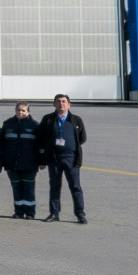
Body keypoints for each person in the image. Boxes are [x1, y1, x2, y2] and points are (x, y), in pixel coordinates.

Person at [41, 94, 89, 224]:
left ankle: (80, 214)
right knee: (55, 186)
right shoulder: (48, 119)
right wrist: (42, 159)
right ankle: (54, 213)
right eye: (58, 102)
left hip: (71, 158)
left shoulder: (76, 120)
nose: (61, 104)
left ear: (69, 104)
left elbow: (82, 138)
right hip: (54, 158)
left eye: (64, 102)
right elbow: (42, 138)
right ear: (54, 104)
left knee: (75, 186)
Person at [0, 102, 42, 219]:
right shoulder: (8, 124)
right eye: (18, 110)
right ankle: (18, 212)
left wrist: (41, 161)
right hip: (12, 164)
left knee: (28, 189)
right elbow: (2, 144)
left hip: (30, 164)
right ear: (15, 110)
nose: (20, 112)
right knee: (16, 188)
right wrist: (3, 161)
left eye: (23, 110)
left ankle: (30, 213)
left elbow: (40, 145)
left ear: (28, 112)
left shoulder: (34, 125)